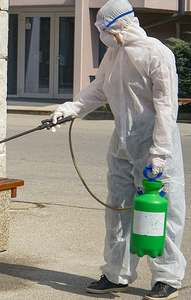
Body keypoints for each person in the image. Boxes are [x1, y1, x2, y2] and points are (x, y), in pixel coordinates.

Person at [50, 0, 186, 299]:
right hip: (122, 145)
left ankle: (168, 277)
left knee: (162, 214)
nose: (102, 33)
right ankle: (117, 274)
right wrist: (70, 108)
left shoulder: (156, 53)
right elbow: (99, 90)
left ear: (121, 25)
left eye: (104, 27)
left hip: (154, 147)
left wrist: (159, 151)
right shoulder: (114, 54)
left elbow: (166, 106)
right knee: (118, 212)